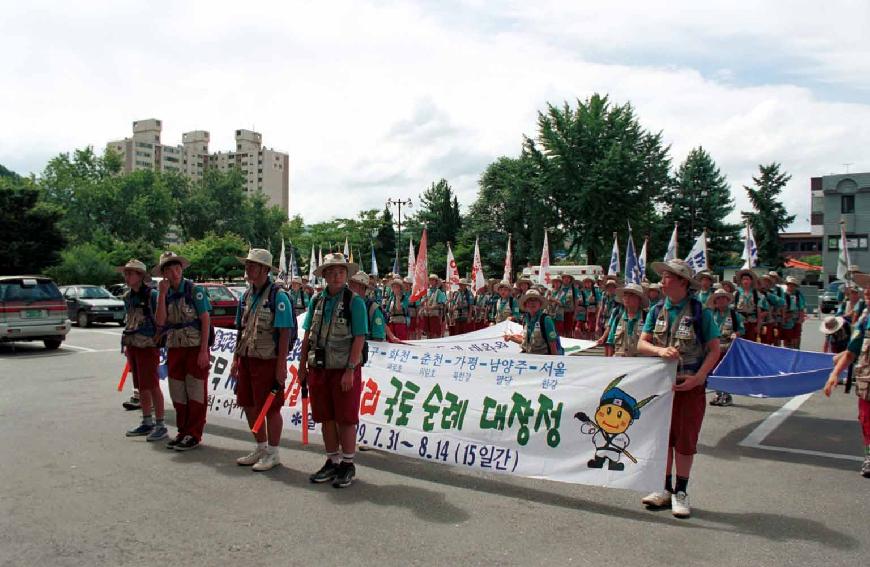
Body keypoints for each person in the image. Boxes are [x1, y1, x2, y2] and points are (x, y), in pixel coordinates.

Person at [637, 259, 720, 518]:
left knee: (684, 442)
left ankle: (680, 492)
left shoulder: (699, 312)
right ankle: (663, 489)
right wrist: (659, 350)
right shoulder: (656, 309)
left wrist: (700, 378)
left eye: (668, 276)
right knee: (662, 439)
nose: (663, 280)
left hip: (689, 385)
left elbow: (715, 350)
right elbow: (642, 343)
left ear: (683, 282)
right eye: (662, 275)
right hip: (661, 386)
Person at [298, 253, 368, 488]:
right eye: (332, 271)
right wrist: (301, 366)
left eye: (341, 271)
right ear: (324, 275)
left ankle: (347, 464)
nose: (337, 276)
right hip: (318, 368)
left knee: (345, 418)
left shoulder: (354, 301)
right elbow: (307, 335)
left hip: (343, 370)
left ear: (346, 275)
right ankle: (332, 461)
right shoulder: (316, 300)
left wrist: (350, 369)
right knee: (325, 417)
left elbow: (359, 337)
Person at [230, 249, 295, 471]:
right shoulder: (246, 296)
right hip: (247, 357)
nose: (248, 269)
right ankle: (260, 446)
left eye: (253, 265)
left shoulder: (279, 296)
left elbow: (285, 332)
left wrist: (281, 366)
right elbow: (241, 329)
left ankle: (274, 453)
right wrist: (235, 360)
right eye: (247, 265)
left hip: (268, 359)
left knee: (271, 408)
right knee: (248, 404)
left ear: (265, 270)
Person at [154, 251, 212, 451]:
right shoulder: (164, 293)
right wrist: (161, 294)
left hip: (194, 347)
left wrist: (204, 351)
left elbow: (205, 319)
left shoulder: (194, 290)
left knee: (196, 391)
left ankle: (194, 434)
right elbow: (160, 322)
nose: (174, 272)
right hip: (175, 348)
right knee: (177, 391)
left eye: (177, 268)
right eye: (169, 269)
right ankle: (183, 431)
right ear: (164, 274)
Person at [824, 273, 870, 478]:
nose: (866, 292)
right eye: (866, 289)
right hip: (867, 378)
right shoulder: (865, 318)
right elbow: (853, 350)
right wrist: (835, 374)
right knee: (866, 419)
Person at [119, 259, 167, 442]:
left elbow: (161, 319)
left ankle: (160, 424)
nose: (127, 276)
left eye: (130, 273)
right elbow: (129, 319)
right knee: (141, 386)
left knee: (152, 385)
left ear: (140, 276)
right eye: (126, 273)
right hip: (133, 344)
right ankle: (147, 421)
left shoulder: (152, 295)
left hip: (148, 345)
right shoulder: (127, 296)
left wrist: (158, 338)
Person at [708, 286, 744, 407]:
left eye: (723, 298)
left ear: (728, 300)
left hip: (727, 347)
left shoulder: (734, 315)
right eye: (718, 299)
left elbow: (741, 329)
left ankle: (727, 395)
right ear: (715, 302)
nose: (721, 301)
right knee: (714, 371)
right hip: (713, 348)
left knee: (725, 372)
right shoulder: (710, 314)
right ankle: (718, 394)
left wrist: (736, 333)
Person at [503, 289, 562, 355]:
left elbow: (553, 345)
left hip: (542, 360)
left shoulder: (546, 320)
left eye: (535, 300)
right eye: (529, 300)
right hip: (529, 358)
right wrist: (511, 338)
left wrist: (554, 363)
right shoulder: (525, 320)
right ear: (525, 305)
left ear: (540, 304)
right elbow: (526, 343)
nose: (532, 303)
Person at [606, 283, 648, 357]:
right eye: (625, 295)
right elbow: (610, 342)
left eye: (631, 295)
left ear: (639, 299)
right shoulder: (618, 318)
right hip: (620, 363)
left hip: (641, 363)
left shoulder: (646, 317)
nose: (627, 298)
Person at [349, 272, 388, 342]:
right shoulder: (346, 304)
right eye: (350, 285)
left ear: (362, 288)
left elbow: (378, 337)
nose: (349, 288)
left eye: (353, 285)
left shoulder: (373, 308)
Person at [734, 268, 762, 342]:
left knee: (751, 343)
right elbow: (733, 310)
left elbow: (759, 311)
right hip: (740, 323)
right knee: (740, 343)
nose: (745, 281)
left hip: (752, 323)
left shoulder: (756, 294)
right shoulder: (736, 294)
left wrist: (758, 326)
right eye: (743, 279)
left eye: (747, 279)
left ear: (751, 281)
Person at [780, 276, 806, 349]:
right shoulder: (783, 295)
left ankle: (797, 350)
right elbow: (781, 307)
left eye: (793, 285)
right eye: (790, 285)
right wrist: (783, 317)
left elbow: (801, 307)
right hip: (787, 318)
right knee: (787, 336)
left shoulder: (798, 295)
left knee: (796, 336)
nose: (791, 286)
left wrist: (801, 318)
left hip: (796, 317)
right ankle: (788, 350)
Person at [419, 274, 447, 339]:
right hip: (426, 314)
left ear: (436, 281)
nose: (431, 281)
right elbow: (421, 302)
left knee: (435, 332)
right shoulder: (427, 291)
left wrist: (431, 307)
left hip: (435, 314)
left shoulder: (439, 292)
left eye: (433, 280)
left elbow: (441, 303)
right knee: (428, 332)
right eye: (430, 280)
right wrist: (423, 301)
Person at [384, 277, 410, 342]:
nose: (394, 289)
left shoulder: (405, 298)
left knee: (401, 341)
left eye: (396, 287)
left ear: (400, 288)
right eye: (393, 287)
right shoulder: (391, 298)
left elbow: (399, 308)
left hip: (400, 322)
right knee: (390, 341)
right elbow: (387, 311)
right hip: (391, 322)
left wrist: (398, 297)